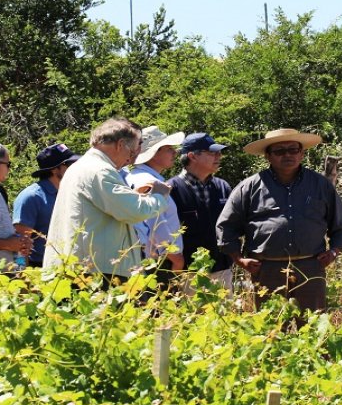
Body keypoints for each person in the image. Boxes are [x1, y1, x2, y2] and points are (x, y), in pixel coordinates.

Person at [217, 128, 342, 312]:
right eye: (280, 151)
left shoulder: (320, 185)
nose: (287, 155)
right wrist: (240, 259)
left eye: (293, 150)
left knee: (312, 328)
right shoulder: (249, 187)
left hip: (311, 268)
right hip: (266, 270)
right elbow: (226, 227)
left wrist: (334, 252)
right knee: (271, 329)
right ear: (268, 156)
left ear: (302, 153)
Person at [43, 118, 171, 283]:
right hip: (97, 272)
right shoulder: (100, 171)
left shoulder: (82, 166)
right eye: (131, 153)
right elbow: (136, 211)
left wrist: (132, 195)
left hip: (80, 267)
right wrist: (159, 195)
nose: (130, 161)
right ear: (120, 145)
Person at [168, 132, 234, 291]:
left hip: (222, 270)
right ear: (192, 156)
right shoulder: (171, 189)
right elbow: (162, 234)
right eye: (212, 152)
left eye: (219, 152)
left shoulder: (222, 186)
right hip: (187, 274)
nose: (219, 156)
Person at [126, 126, 185, 287]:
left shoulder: (138, 176)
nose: (175, 152)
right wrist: (175, 258)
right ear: (153, 153)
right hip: (160, 263)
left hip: (154, 260)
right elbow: (154, 222)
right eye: (168, 148)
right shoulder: (148, 181)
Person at [13, 143, 80, 267]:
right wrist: (22, 275)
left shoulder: (69, 193)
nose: (74, 168)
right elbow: (20, 244)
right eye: (69, 164)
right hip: (39, 268)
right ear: (55, 169)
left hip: (67, 266)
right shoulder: (31, 197)